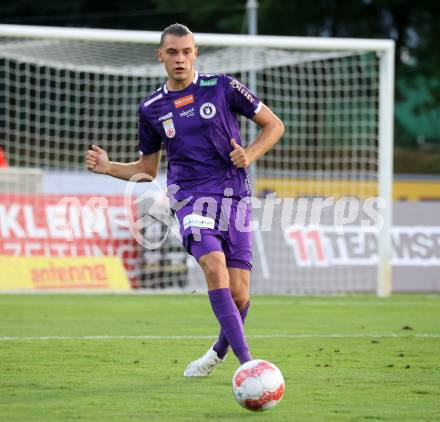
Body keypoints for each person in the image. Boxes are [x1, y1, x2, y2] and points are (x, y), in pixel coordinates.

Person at [85, 23, 284, 376]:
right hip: (189, 198)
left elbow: (274, 125)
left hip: (235, 197)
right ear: (160, 55)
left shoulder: (222, 87)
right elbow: (148, 169)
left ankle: (215, 354)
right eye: (172, 52)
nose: (180, 59)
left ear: (196, 53)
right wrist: (108, 167)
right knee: (212, 263)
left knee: (239, 296)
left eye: (186, 51)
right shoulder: (151, 107)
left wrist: (250, 154)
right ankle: (249, 365)